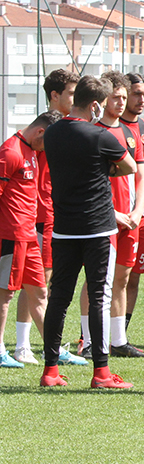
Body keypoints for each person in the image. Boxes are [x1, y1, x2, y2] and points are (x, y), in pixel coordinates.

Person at [39, 75, 137, 389]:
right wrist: (104, 168)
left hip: (64, 229)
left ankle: (50, 370)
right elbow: (130, 167)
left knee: (59, 299)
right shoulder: (100, 136)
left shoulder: (52, 133)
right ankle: (102, 373)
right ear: (95, 105)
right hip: (97, 229)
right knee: (99, 298)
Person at [15, 70, 87, 369]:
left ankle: (40, 345)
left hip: (54, 214)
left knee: (39, 283)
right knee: (35, 282)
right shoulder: (45, 132)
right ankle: (25, 345)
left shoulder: (65, 128)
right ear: (55, 96)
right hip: (41, 216)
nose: (75, 99)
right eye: (71, 93)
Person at [79, 72, 144, 359]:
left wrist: (136, 210)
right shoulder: (93, 132)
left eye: (124, 98)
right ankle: (87, 341)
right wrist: (113, 213)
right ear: (103, 99)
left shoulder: (132, 132)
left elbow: (142, 175)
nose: (121, 103)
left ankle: (119, 340)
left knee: (122, 277)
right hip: (104, 217)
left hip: (130, 217)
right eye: (116, 98)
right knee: (96, 279)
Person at [0, 113, 60, 368]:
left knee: (39, 293)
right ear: (39, 133)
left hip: (29, 236)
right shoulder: (10, 152)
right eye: (48, 143)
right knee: (5, 295)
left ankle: (53, 350)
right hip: (11, 235)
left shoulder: (32, 152)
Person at [120, 73, 144, 333]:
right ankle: (87, 337)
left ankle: (121, 332)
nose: (140, 99)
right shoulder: (110, 127)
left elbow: (142, 174)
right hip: (118, 212)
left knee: (135, 276)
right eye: (135, 94)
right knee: (110, 277)